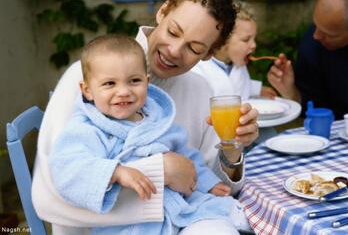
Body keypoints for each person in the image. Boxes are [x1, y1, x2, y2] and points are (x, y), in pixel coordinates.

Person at [32, 0, 258, 234]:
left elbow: (215, 186)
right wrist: (159, 172)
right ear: (163, 11)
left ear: (209, 54)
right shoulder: (87, 81)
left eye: (194, 48)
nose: (173, 51)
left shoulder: (202, 90)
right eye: (173, 32)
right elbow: (47, 199)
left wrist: (233, 147)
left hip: (181, 221)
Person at [49, 35, 243, 234]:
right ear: (87, 90)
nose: (123, 91)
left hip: (178, 212)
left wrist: (207, 182)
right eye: (109, 84)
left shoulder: (156, 120)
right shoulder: (87, 129)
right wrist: (115, 172)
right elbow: (67, 168)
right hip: (128, 225)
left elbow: (186, 156)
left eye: (134, 81)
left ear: (147, 83)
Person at [191, 1, 276, 100]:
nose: (254, 45)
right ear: (223, 38)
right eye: (246, 40)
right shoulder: (198, 72)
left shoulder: (237, 63)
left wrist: (257, 89)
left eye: (254, 39)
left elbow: (238, 83)